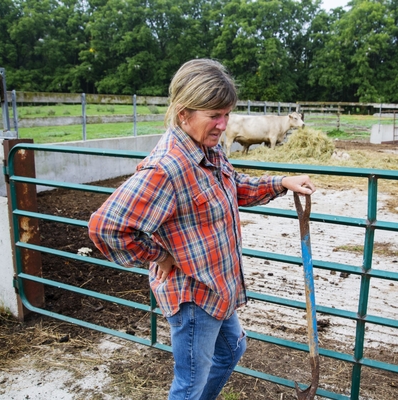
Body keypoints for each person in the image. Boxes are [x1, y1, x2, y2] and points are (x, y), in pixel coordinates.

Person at [88, 58, 316, 400]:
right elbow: (106, 227)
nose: (223, 124)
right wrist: (158, 255)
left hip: (217, 287)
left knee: (231, 350)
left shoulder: (207, 150)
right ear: (184, 113)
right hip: (193, 296)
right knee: (189, 384)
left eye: (226, 114)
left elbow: (234, 185)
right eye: (215, 115)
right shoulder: (168, 168)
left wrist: (281, 182)